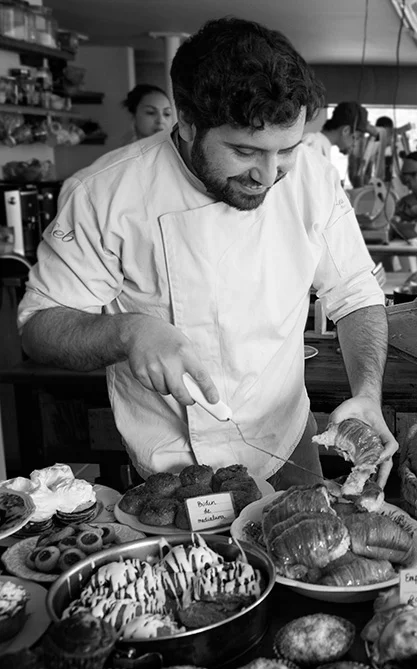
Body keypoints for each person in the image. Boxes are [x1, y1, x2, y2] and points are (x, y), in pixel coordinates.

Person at [17, 17, 397, 490]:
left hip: (286, 443)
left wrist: (367, 393)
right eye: (244, 151)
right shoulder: (104, 193)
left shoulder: (312, 177)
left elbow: (357, 293)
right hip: (172, 469)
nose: (269, 174)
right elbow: (39, 328)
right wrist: (128, 332)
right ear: (188, 122)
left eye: (287, 149)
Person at [302, 101, 371, 161]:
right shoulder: (312, 143)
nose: (354, 144)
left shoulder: (322, 146)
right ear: (346, 130)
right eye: (356, 138)